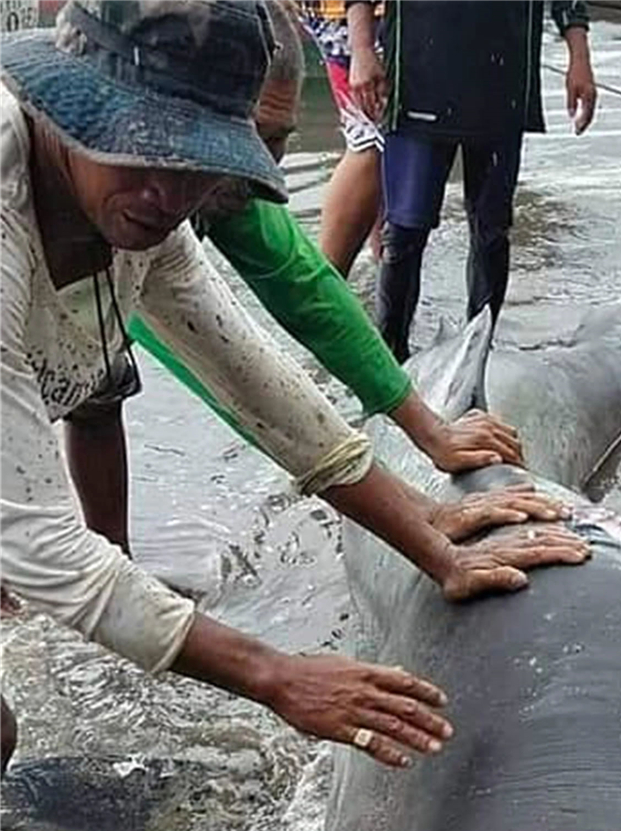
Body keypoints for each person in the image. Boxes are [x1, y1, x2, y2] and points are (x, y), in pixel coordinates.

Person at [0, 0, 587, 831]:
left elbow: (253, 374)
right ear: (64, 108)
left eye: (192, 163)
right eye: (138, 152)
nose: (164, 190)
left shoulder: (142, 214)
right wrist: (273, 674)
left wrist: (426, 530)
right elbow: (40, 542)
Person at [129, 0, 560, 502]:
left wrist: (426, 432)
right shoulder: (86, 202)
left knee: (100, 394)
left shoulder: (224, 191)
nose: (266, 168)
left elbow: (308, 291)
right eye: (253, 135)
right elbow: (235, 374)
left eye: (279, 140)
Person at [346, 0, 598, 362]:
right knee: (403, 231)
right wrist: (362, 49)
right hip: (418, 77)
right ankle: (389, 362)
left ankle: (480, 355)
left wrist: (580, 57)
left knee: (492, 231)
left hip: (503, 82)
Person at [297, 0, 384, 274]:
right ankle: (324, 289)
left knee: (385, 143)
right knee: (370, 141)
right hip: (356, 15)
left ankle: (384, 264)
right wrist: (362, 47)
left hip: (353, 14)